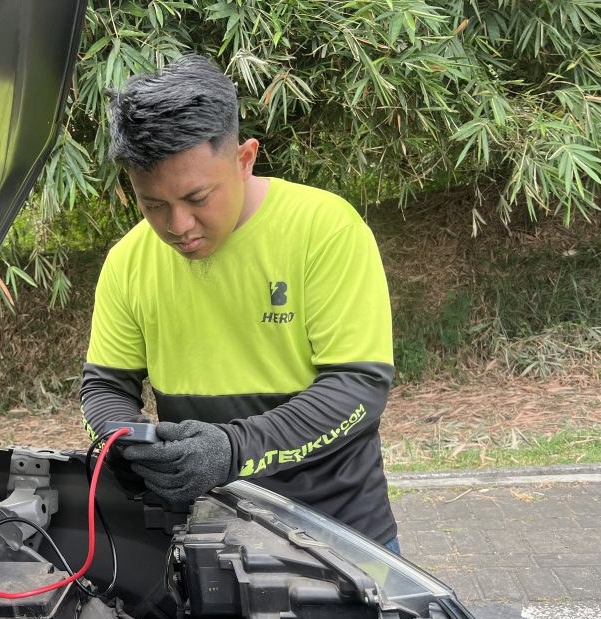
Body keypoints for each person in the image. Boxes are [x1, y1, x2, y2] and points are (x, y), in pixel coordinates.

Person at [79, 54, 400, 553]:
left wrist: (232, 450)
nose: (177, 225)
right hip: (205, 540)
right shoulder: (128, 261)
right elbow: (105, 385)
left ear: (245, 158)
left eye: (197, 197)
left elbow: (358, 387)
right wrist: (122, 442)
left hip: (339, 534)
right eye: (153, 205)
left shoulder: (325, 229)